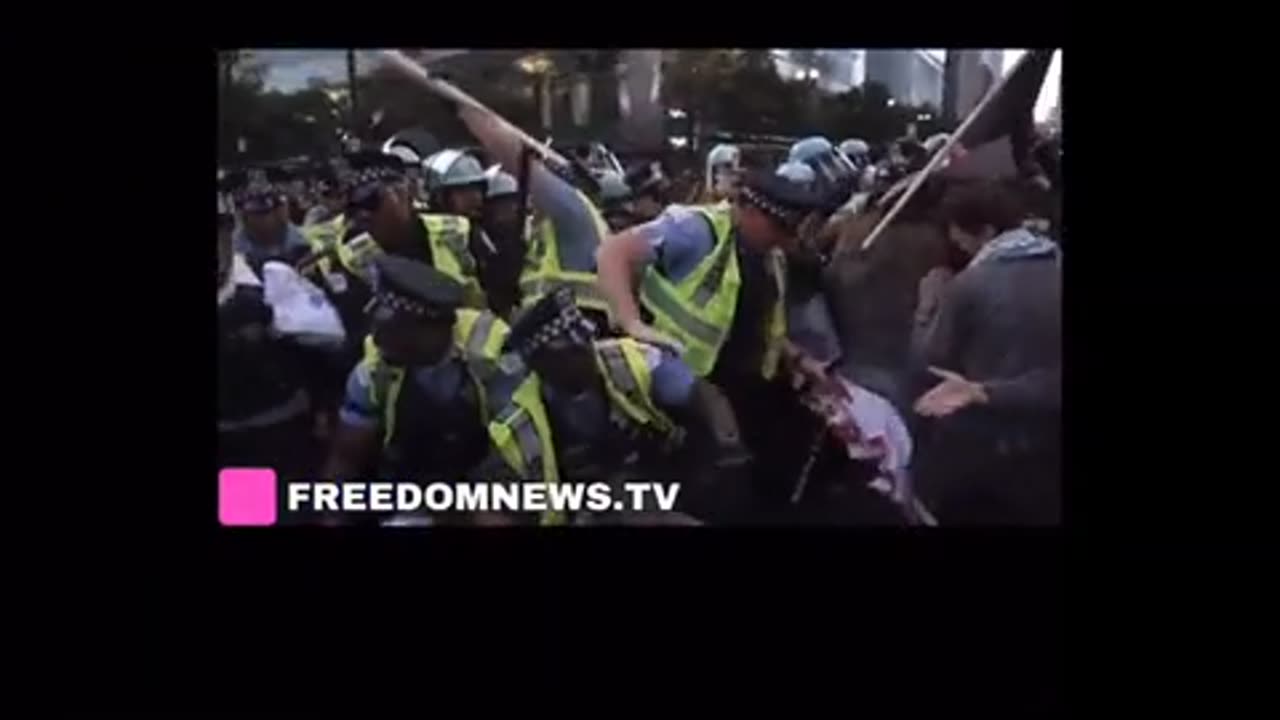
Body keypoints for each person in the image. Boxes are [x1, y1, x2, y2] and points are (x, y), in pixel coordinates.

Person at [597, 169, 825, 516]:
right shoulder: (697, 230)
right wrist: (630, 322)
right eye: (778, 228)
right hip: (676, 392)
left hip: (740, 390)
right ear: (750, 209)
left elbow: (758, 323)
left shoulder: (770, 257)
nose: (783, 240)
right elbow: (613, 252)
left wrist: (795, 357)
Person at [481, 287, 750, 525]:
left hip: (655, 488)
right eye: (571, 353)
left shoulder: (627, 359)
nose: (587, 353)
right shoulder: (520, 425)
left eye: (585, 342)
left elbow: (702, 394)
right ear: (541, 365)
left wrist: (728, 442)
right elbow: (493, 505)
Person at [910, 180, 1061, 525]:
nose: (955, 242)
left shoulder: (970, 285)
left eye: (959, 233)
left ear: (986, 230)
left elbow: (928, 360)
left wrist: (925, 308)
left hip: (985, 445)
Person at [324, 254, 512, 525]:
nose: (377, 338)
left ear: (429, 329)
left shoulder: (492, 358)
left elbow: (519, 456)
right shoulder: (375, 370)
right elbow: (345, 459)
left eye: (389, 328)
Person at [219, 186, 341, 487]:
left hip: (283, 427)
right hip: (229, 437)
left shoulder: (272, 278)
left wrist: (325, 409)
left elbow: (321, 344)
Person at [456, 105, 614, 328]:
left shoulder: (574, 212)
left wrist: (468, 111)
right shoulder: (545, 229)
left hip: (579, 341)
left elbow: (517, 160)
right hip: (550, 343)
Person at [224, 167, 312, 273]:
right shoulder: (235, 247)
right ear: (244, 216)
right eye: (257, 213)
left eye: (267, 213)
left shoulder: (300, 239)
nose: (264, 220)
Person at [479, 166, 526, 320]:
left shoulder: (528, 236)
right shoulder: (479, 243)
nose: (509, 210)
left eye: (513, 202)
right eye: (501, 204)